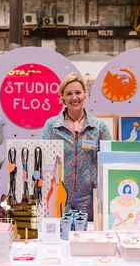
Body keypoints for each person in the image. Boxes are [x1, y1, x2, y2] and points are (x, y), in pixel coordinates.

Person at [42, 73, 111, 220]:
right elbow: (42, 159)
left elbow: (108, 161)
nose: (74, 97)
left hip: (89, 199)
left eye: (78, 92)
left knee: (87, 238)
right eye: (69, 94)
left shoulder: (98, 127)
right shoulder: (52, 126)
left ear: (85, 94)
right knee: (59, 239)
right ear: (62, 98)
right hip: (59, 195)